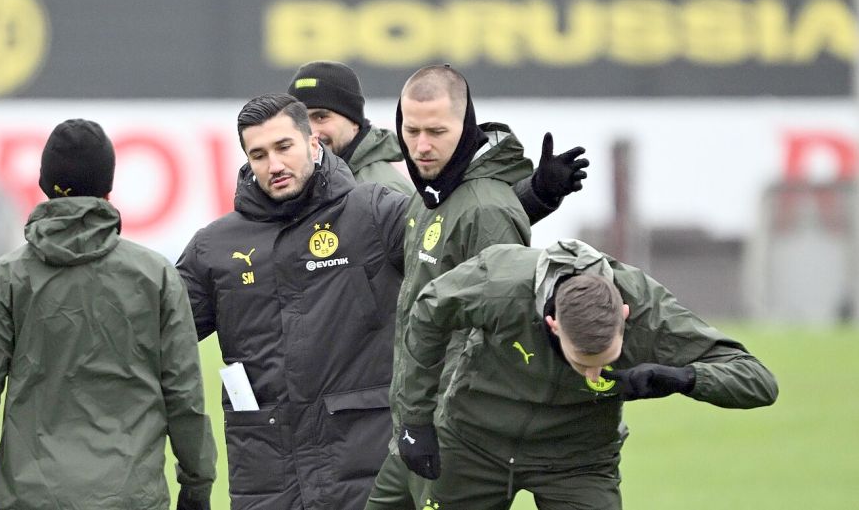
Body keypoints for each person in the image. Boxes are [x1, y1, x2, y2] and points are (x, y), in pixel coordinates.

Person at [176, 92, 585, 510]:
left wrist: (533, 195)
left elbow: (453, 239)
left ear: (313, 144)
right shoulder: (213, 247)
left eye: (284, 147)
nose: (274, 165)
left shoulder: (371, 212)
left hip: (364, 468)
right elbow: (153, 329)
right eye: (258, 154)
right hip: (265, 477)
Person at [0, 119, 217, 510]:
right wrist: (196, 486)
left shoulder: (7, 278)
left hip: (30, 496)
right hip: (130, 496)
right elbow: (185, 398)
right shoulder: (156, 275)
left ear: (44, 184)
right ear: (108, 188)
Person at [394, 238, 779, 509]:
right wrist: (417, 420)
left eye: (607, 359)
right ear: (554, 323)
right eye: (582, 361)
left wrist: (683, 378)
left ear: (624, 317)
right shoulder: (501, 283)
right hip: (475, 442)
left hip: (578, 459)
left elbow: (758, 380)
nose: (594, 373)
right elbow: (429, 311)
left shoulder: (650, 312)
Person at [366, 64, 589, 509]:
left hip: (453, 423)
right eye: (411, 131)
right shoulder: (434, 190)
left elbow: (492, 329)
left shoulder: (485, 207)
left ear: (465, 127)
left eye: (437, 131)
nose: (422, 145)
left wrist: (430, 423)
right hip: (417, 415)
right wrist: (537, 195)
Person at [288, 60, 414, 195]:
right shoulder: (293, 184)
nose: (310, 132)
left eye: (321, 117)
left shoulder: (385, 194)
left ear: (354, 121)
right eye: (300, 120)